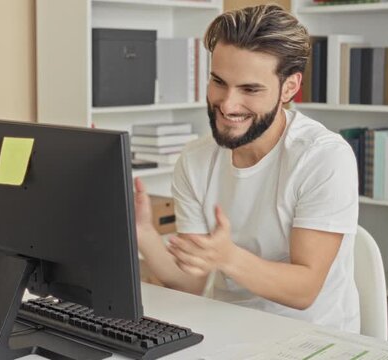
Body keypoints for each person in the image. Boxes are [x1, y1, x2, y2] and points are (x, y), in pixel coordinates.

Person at [134, 4, 360, 332]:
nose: (227, 104)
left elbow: (304, 289)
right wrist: (143, 234)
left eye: (250, 89)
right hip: (226, 330)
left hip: (313, 339)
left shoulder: (323, 157)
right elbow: (191, 285)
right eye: (219, 82)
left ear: (289, 88)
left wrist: (227, 258)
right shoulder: (195, 160)